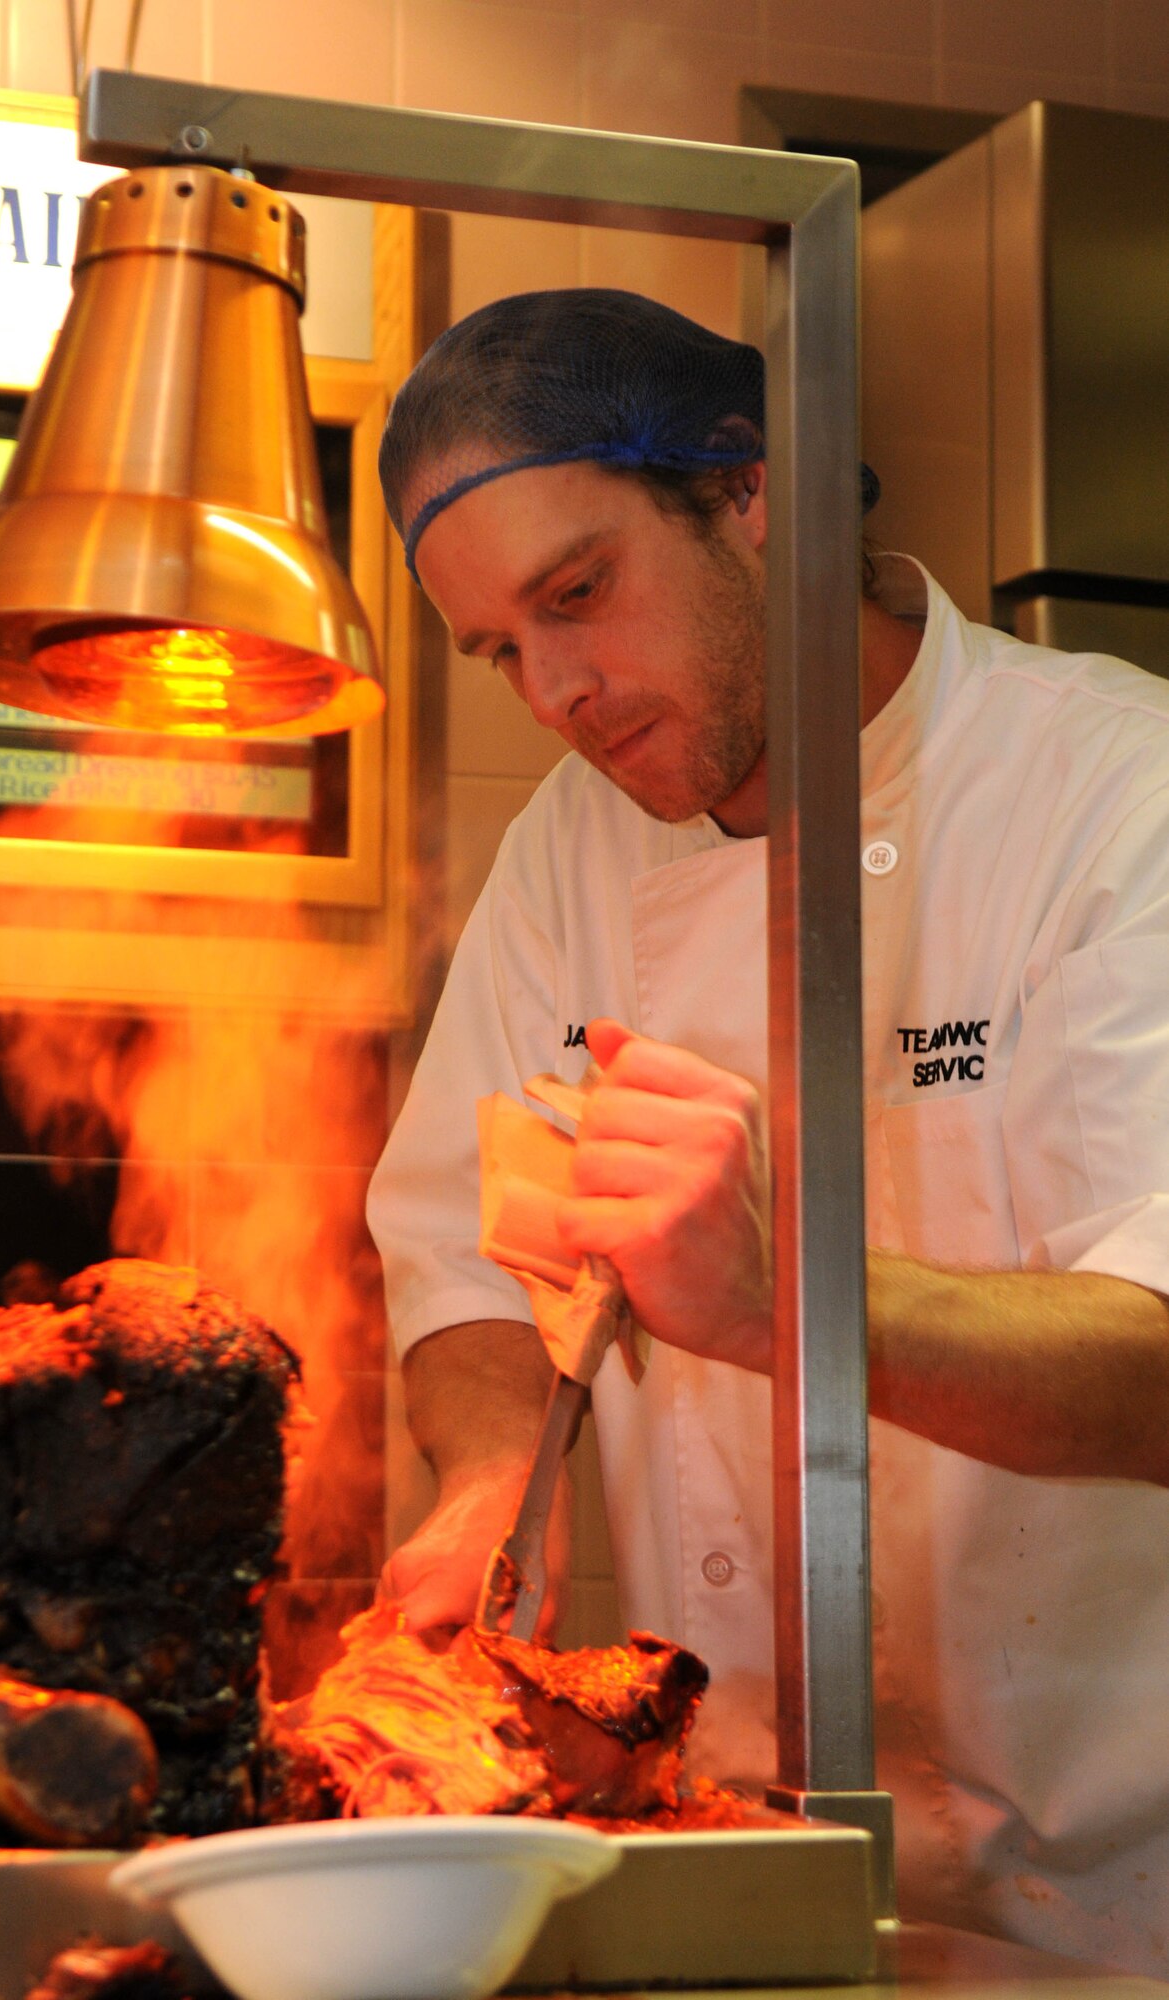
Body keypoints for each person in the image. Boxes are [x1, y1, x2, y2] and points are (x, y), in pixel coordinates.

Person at [364, 289, 1169, 1973]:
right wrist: (491, 1484)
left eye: (576, 594)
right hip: (737, 1858)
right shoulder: (570, 851)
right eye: (502, 649)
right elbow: (463, 1252)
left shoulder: (1115, 793)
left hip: (1121, 1901)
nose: (558, 693)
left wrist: (771, 1295)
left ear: (752, 493)